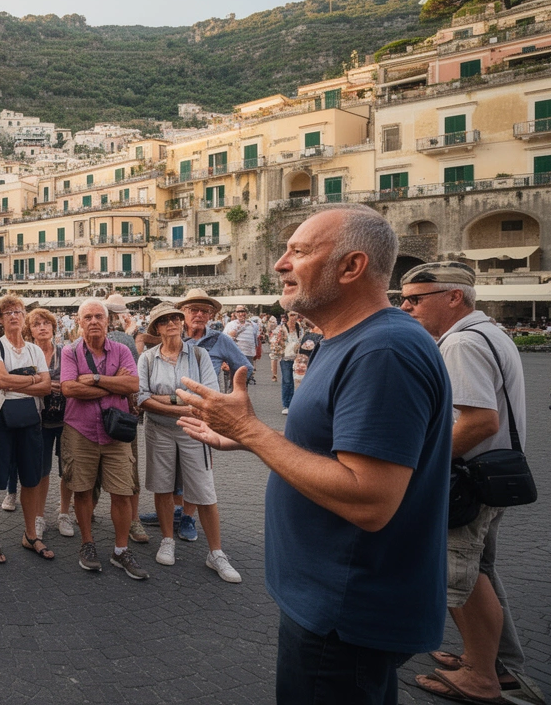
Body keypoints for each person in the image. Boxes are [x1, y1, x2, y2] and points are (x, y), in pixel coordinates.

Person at [177, 206, 453, 705]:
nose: (280, 263)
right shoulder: (347, 341)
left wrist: (252, 431)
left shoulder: (383, 350)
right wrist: (247, 437)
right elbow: (334, 444)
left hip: (345, 609)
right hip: (332, 601)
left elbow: (370, 499)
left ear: (351, 267)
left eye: (299, 251)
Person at [399, 263, 545, 705]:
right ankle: (496, 663)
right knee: (480, 571)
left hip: (466, 482)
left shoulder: (461, 342)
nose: (406, 307)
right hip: (491, 477)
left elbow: (479, 421)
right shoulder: (488, 332)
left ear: (453, 297)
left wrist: (422, 465)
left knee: (456, 577)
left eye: (415, 299)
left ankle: (481, 677)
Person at [136, 303, 240, 583]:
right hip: (159, 430)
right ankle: (167, 539)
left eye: (175, 318)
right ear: (156, 328)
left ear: (181, 323)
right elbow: (141, 398)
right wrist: (182, 402)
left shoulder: (198, 354)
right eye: (164, 320)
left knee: (204, 490)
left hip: (194, 429)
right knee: (162, 486)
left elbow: (209, 395)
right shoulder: (147, 358)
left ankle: (216, 552)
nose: (171, 323)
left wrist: (165, 399)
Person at [145, 288, 252, 541]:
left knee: (195, 472)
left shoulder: (219, 340)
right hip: (164, 422)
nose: (200, 315)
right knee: (171, 472)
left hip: (199, 417)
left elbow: (244, 367)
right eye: (194, 309)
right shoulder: (168, 336)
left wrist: (229, 394)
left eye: (205, 310)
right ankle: (174, 512)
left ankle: (188, 516)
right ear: (182, 312)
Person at [59, 299, 143, 576]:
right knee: (82, 490)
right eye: (88, 317)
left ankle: (121, 550)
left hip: (116, 434)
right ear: (79, 322)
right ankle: (87, 543)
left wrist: (94, 378)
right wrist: (114, 384)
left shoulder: (121, 350)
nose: (94, 321)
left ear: (108, 321)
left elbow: (133, 384)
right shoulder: (70, 351)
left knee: (122, 492)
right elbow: (69, 388)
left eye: (99, 316)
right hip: (80, 430)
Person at [0, 294, 54, 563]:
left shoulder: (34, 350)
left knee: (31, 478)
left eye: (18, 311)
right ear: (0, 319)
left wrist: (18, 381)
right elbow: (1, 380)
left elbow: (47, 386)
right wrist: (32, 378)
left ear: (24, 318)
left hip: (29, 418)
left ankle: (30, 534)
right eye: (8, 312)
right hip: (0, 418)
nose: (13, 316)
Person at [105, 295, 148, 544]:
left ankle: (84, 512)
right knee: (129, 467)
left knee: (96, 468)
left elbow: (131, 379)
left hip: (105, 411)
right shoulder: (126, 338)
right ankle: (133, 520)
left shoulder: (125, 339)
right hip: (123, 412)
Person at [23, 308, 64, 539]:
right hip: (37, 419)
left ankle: (64, 512)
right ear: (30, 330)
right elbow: (21, 383)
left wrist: (42, 383)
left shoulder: (65, 352)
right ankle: (38, 516)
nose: (42, 327)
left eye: (46, 323)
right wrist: (49, 385)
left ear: (53, 327)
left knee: (67, 469)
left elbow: (72, 382)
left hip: (66, 418)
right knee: (41, 470)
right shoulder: (27, 354)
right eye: (36, 324)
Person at [223, 305, 260, 384]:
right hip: (235, 354)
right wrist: (233, 334)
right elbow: (225, 340)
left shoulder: (253, 325)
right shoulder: (230, 325)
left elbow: (256, 339)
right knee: (234, 378)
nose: (241, 314)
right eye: (238, 312)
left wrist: (256, 352)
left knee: (245, 378)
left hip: (248, 354)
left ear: (246, 313)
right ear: (235, 313)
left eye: (242, 311)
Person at [276, 312, 302, 415]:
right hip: (286, 358)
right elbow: (276, 342)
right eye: (291, 315)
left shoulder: (300, 328)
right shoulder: (282, 328)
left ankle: (295, 404)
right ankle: (286, 404)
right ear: (287, 316)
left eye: (295, 315)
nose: (293, 317)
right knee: (287, 381)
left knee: (298, 380)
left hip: (297, 358)